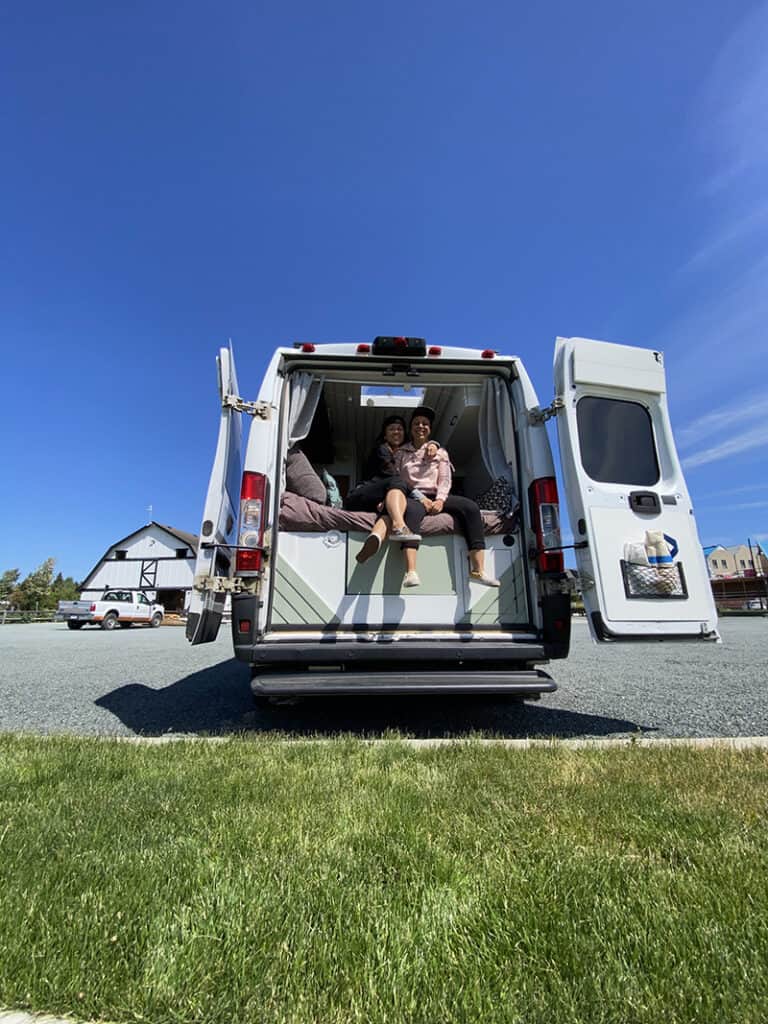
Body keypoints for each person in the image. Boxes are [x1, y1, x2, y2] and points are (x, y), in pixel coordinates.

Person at [396, 406, 500, 589]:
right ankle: (410, 571)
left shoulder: (440, 452)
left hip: (437, 495)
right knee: (411, 512)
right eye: (416, 423)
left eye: (425, 424)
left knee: (470, 508)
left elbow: (445, 479)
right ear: (410, 428)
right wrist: (420, 499)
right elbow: (398, 480)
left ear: (430, 428)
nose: (421, 426)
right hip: (413, 496)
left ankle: (477, 569)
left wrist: (440, 500)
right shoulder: (401, 453)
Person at [344, 415, 424, 563]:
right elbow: (392, 476)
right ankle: (400, 526)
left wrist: (433, 444)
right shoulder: (381, 450)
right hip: (358, 496)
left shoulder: (401, 454)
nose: (396, 432)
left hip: (373, 501)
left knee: (392, 508)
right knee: (397, 481)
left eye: (400, 429)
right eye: (392, 429)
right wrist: (421, 497)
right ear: (385, 434)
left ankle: (375, 538)